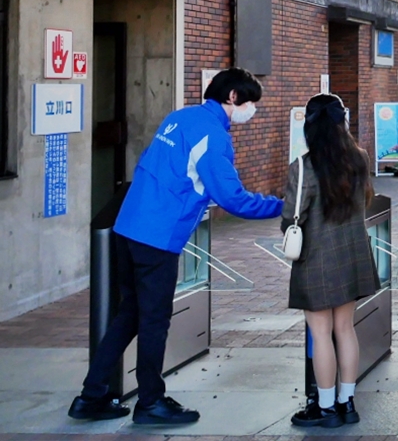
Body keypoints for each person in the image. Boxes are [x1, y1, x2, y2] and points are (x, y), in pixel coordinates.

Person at [69, 68, 283, 425]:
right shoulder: (213, 137)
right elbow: (234, 199)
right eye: (250, 103)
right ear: (232, 97)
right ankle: (151, 402)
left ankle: (91, 397)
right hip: (158, 236)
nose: (251, 111)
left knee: (130, 315)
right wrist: (282, 204)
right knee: (154, 320)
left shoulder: (179, 117)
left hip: (128, 226)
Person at [285, 94, 381, 428]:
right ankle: (347, 403)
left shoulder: (303, 167)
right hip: (353, 255)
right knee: (345, 329)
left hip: (316, 260)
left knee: (321, 333)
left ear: (310, 127)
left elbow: (291, 218)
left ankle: (325, 409)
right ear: (342, 123)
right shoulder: (360, 159)